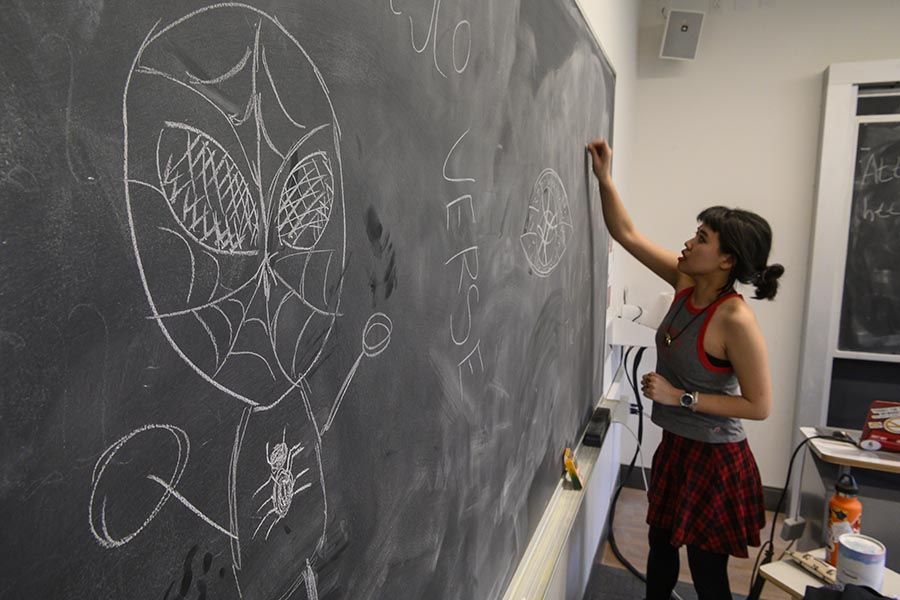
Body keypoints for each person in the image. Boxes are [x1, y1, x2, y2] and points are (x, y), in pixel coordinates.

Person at [586, 139, 784, 600]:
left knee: (707, 572)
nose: (688, 243)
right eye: (694, 234)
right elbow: (626, 234)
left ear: (727, 259)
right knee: (659, 548)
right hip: (677, 446)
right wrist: (604, 178)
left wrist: (681, 397)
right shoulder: (683, 283)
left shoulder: (735, 320)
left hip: (716, 459)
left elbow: (760, 405)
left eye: (701, 239)